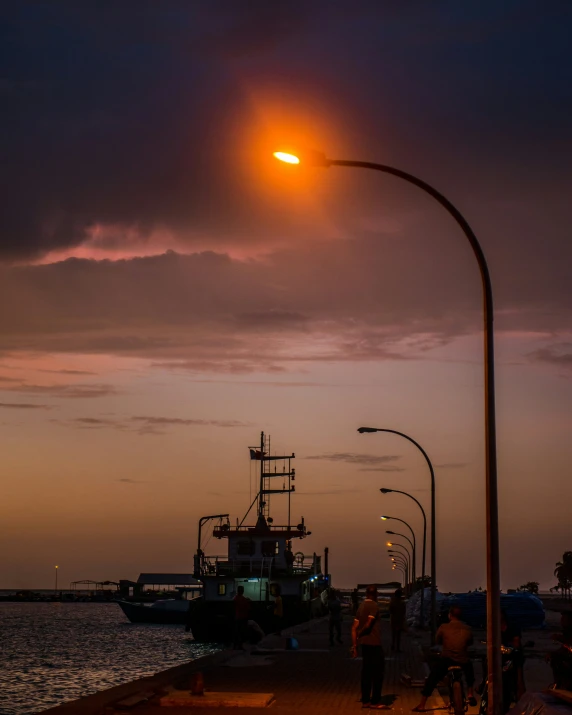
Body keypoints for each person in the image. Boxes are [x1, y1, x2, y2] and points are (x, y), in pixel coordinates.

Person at [413, 606, 476, 712]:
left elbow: (437, 640)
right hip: (463, 660)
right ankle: (470, 693)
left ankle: (422, 704)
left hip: (447, 659)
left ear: (450, 615)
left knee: (432, 678)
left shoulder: (443, 627)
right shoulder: (467, 628)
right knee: (470, 672)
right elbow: (470, 642)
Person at [351, 584, 388, 709]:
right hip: (374, 643)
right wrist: (359, 635)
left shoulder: (361, 606)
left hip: (364, 645)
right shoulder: (374, 605)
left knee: (366, 672)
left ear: (366, 594)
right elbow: (368, 624)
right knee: (378, 673)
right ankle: (375, 701)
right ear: (375, 594)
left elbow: (353, 628)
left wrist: (355, 646)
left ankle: (366, 700)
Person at [547, 610, 572, 691]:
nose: (561, 621)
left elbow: (568, 645)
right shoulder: (566, 631)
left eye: (564, 619)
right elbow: (565, 647)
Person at [389, 588, 407, 652]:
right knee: (398, 634)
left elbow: (390, 610)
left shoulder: (392, 602)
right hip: (400, 619)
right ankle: (398, 647)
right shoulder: (402, 603)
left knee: (393, 633)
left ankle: (393, 645)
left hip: (394, 619)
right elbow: (404, 611)